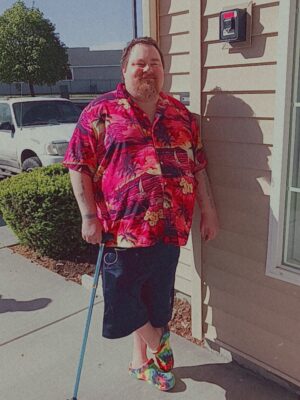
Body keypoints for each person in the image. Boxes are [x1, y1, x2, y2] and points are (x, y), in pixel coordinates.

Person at [63, 36, 219, 391]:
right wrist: (88, 216)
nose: (148, 69)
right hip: (122, 229)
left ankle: (141, 363)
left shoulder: (181, 115)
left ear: (164, 70)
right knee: (123, 295)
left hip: (171, 226)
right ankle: (160, 347)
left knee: (158, 300)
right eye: (139, 63)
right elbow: (78, 165)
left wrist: (209, 210)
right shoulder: (100, 111)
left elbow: (198, 166)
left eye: (154, 63)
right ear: (125, 69)